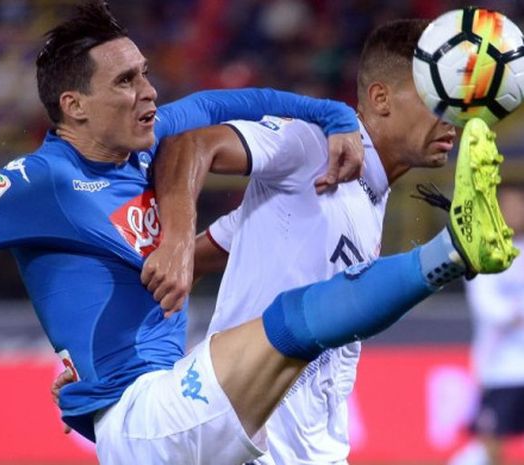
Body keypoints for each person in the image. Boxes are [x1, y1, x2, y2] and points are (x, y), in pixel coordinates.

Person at [0, 1, 517, 463]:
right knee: (290, 323)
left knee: (297, 325)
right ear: (75, 106)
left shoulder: (150, 144)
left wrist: (336, 121)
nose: (149, 91)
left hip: (185, 400)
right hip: (132, 418)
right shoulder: (40, 185)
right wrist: (180, 240)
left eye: (146, 73)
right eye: (126, 81)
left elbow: (249, 101)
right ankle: (450, 249)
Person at [141, 18, 519, 465]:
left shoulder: (367, 193)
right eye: (436, 99)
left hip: (317, 449)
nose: (452, 118)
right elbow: (190, 145)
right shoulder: (315, 146)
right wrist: (176, 242)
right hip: (252, 448)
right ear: (380, 99)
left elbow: (215, 252)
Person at [448, 183, 524, 465]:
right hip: (499, 367)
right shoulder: (484, 255)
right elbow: (486, 307)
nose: (514, 211)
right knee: (492, 438)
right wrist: (514, 314)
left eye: (519, 204)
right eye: (508, 205)